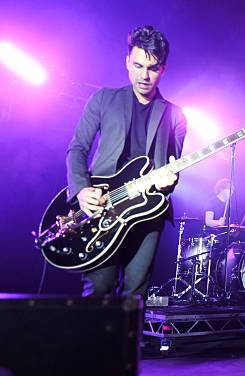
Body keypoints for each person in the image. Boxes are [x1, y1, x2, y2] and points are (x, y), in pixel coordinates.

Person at [66, 26, 187, 297]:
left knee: (136, 292)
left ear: (163, 69)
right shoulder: (104, 99)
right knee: (99, 287)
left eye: (153, 68)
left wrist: (170, 182)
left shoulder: (175, 115)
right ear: (127, 63)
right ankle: (94, 341)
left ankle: (129, 342)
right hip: (104, 205)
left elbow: (172, 167)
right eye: (138, 65)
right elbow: (77, 148)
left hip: (148, 210)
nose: (144, 75)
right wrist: (82, 189)